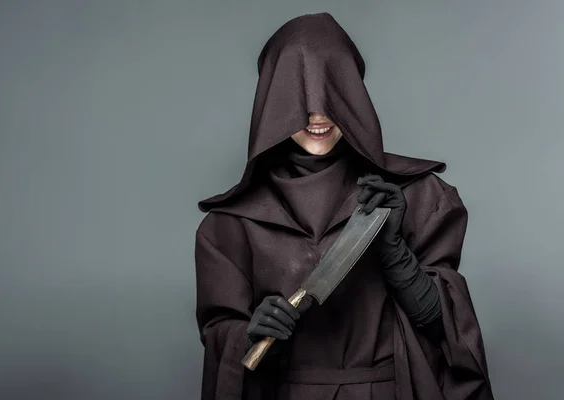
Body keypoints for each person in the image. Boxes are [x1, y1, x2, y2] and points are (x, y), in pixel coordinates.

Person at [194, 12, 493, 400]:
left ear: (351, 96)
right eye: (301, 96)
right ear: (276, 100)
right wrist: (248, 332)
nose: (317, 115)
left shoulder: (417, 196)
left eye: (332, 94)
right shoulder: (230, 225)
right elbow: (221, 339)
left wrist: (394, 251)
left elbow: (447, 330)